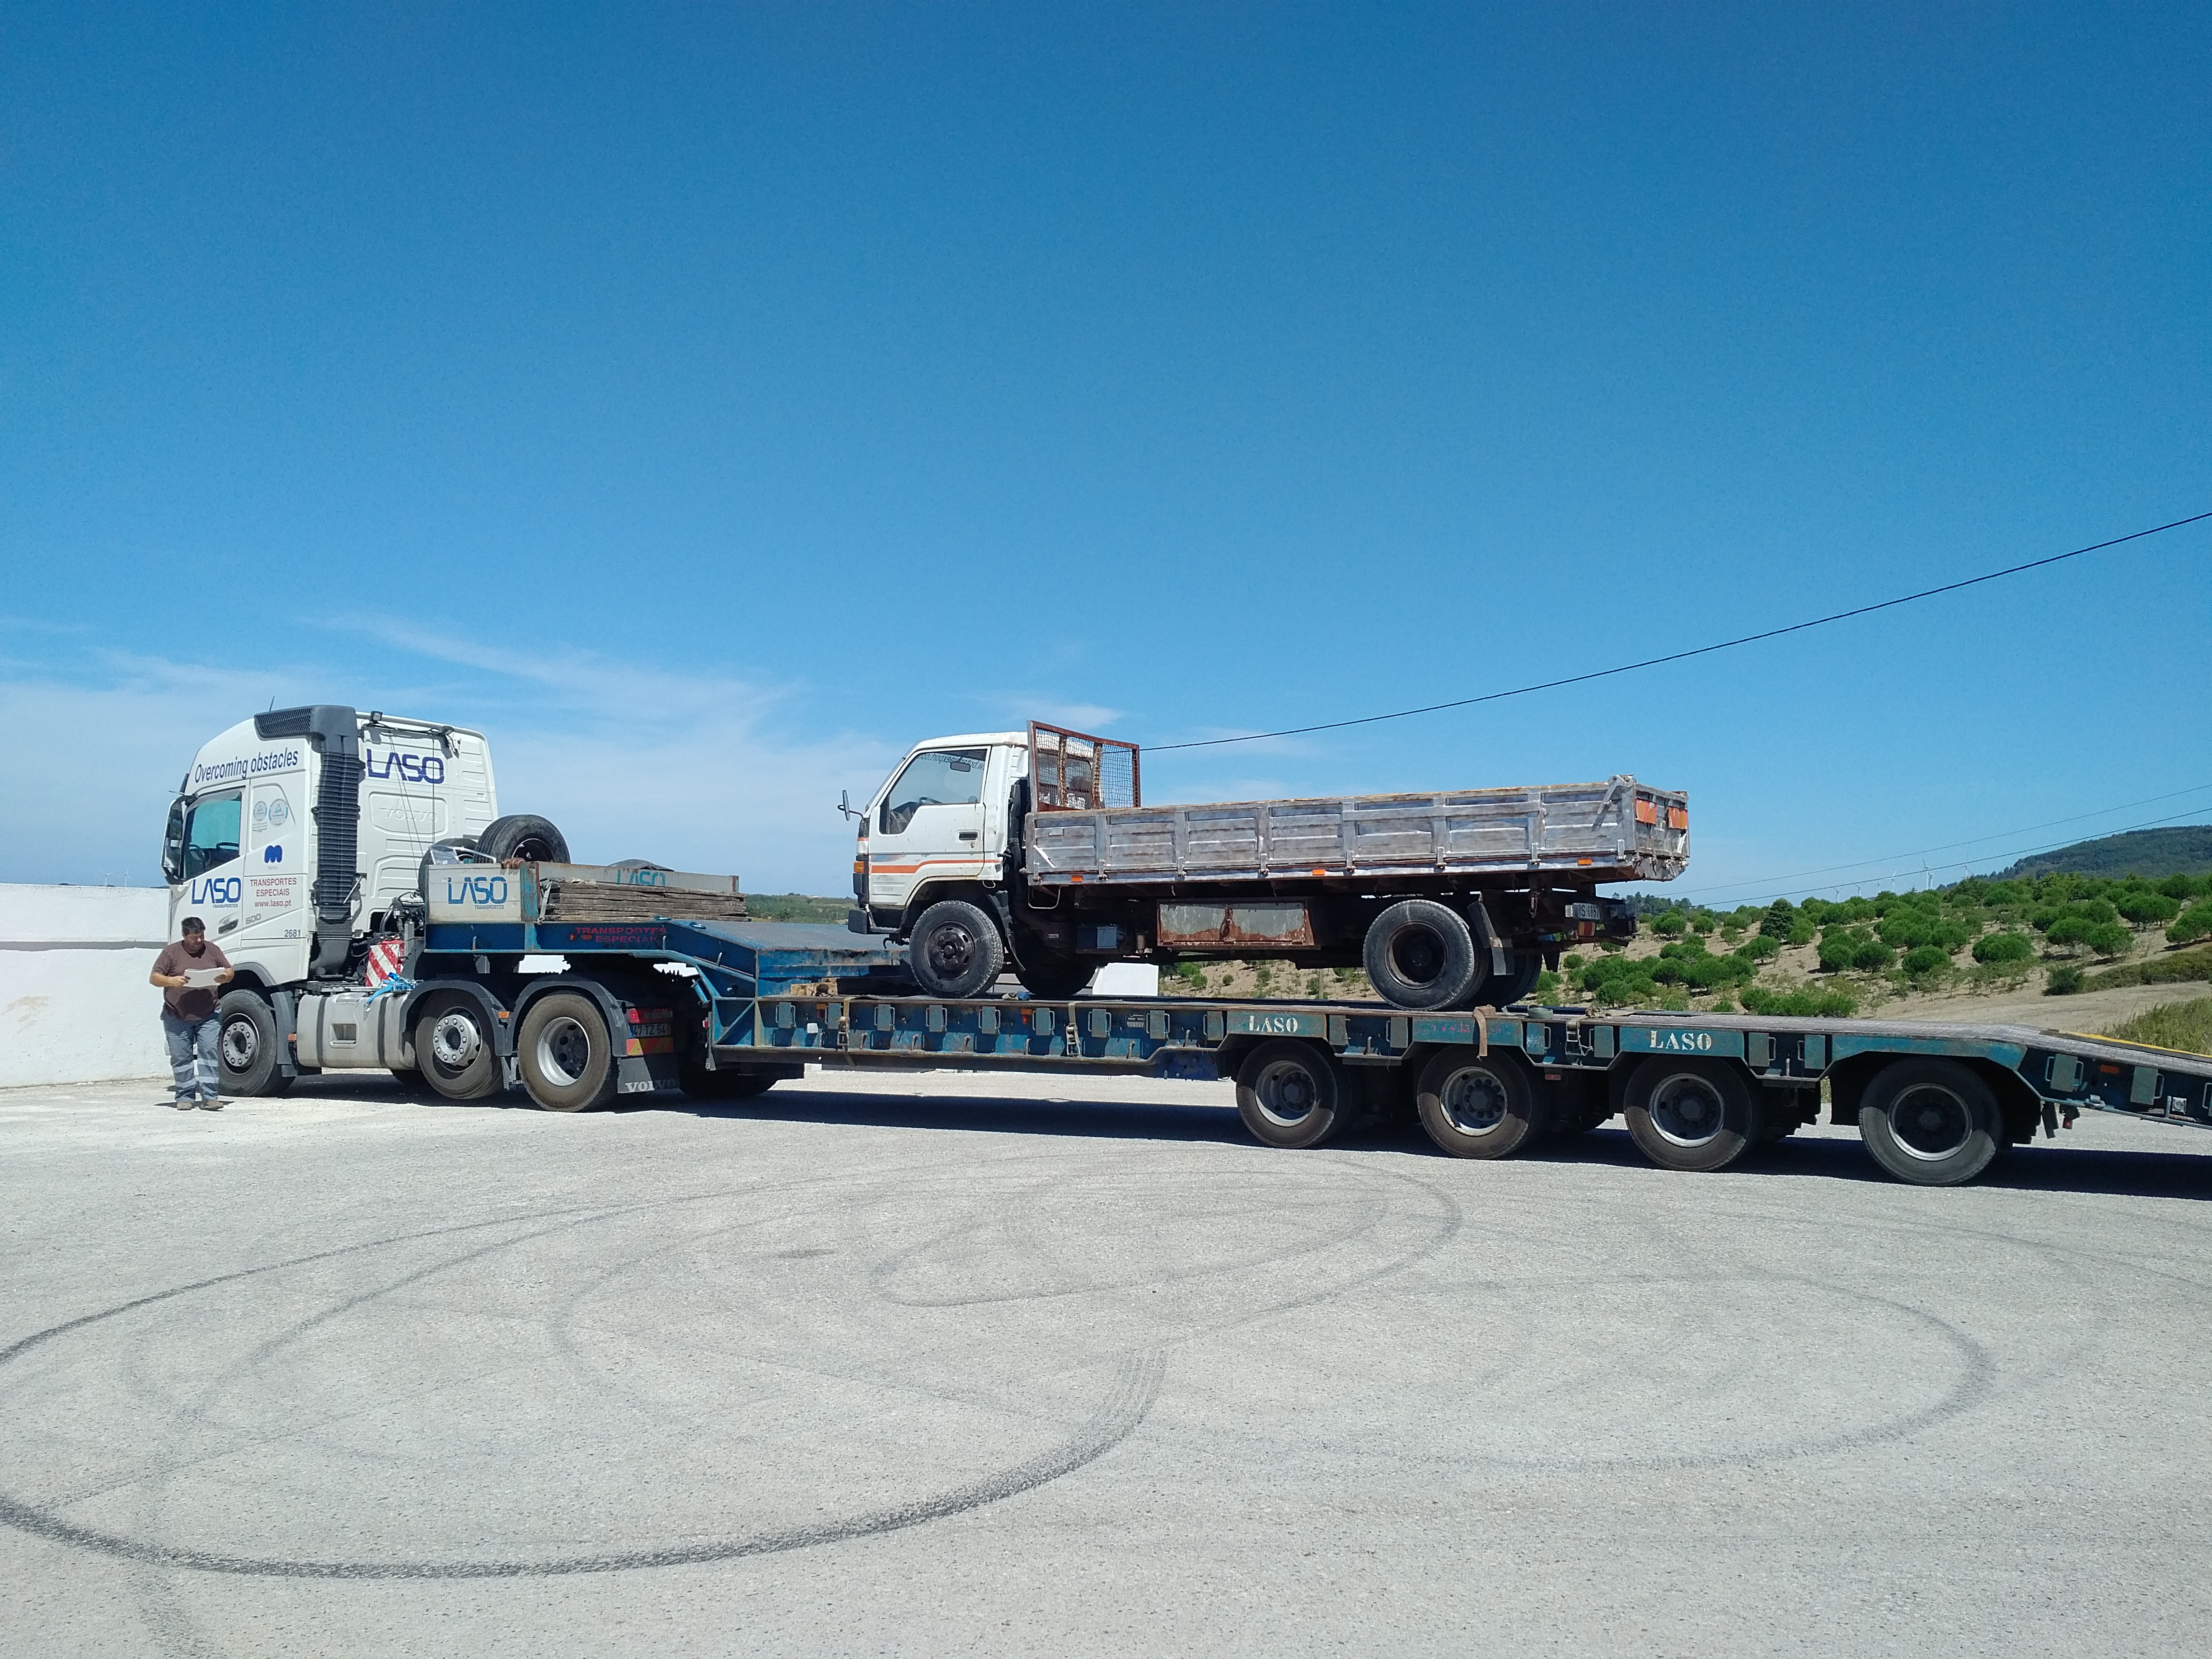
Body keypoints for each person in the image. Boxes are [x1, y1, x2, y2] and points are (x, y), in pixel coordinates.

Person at [150, 916, 234, 1110]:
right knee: (182, 1059)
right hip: (177, 1016)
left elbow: (230, 971)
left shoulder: (212, 950)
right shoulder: (170, 953)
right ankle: (185, 1097)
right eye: (195, 937)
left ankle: (211, 1097)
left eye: (202, 936)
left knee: (209, 1054)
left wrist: (226, 977)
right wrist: (171, 982)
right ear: (184, 935)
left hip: (209, 1014)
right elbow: (154, 978)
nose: (199, 941)